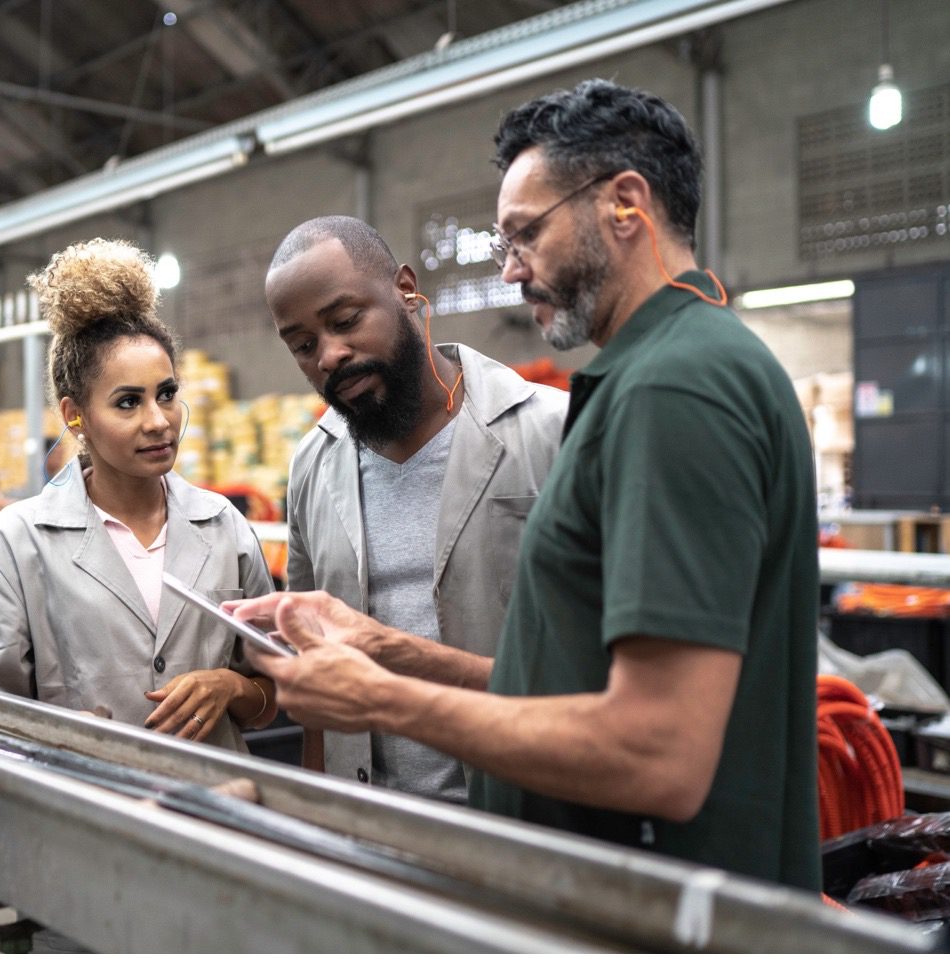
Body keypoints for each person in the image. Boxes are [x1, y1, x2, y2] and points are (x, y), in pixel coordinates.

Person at [230, 79, 819, 890]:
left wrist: (383, 698)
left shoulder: (673, 389)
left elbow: (659, 754)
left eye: (526, 234)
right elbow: (566, 686)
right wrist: (383, 646)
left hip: (652, 907)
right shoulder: (666, 369)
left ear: (625, 204)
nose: (510, 271)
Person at [266, 215, 566, 801]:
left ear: (406, 291)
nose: (330, 355)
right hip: (373, 828)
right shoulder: (312, 466)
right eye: (304, 346)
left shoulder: (551, 432)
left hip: (523, 810)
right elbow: (314, 671)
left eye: (346, 321)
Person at [0, 238, 277, 751]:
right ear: (75, 415)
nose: (158, 421)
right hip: (79, 814)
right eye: (128, 403)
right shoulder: (15, 545)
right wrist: (58, 736)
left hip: (216, 812)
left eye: (166, 394)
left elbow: (269, 696)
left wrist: (230, 686)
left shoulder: (224, 528)